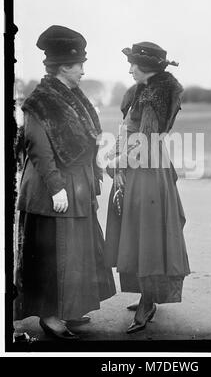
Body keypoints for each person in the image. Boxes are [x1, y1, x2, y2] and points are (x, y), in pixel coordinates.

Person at [15, 25, 116, 340]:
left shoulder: (74, 97)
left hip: (79, 185)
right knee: (53, 255)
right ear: (62, 67)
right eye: (79, 65)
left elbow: (89, 142)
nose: (83, 71)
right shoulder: (40, 101)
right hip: (52, 190)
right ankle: (50, 316)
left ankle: (70, 309)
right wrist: (57, 186)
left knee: (76, 252)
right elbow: (38, 148)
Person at [104, 42, 190, 334]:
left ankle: (147, 300)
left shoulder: (153, 97)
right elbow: (125, 129)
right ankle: (146, 295)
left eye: (133, 65)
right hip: (138, 167)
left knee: (148, 236)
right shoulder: (142, 91)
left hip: (148, 171)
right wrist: (118, 163)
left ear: (147, 69)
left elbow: (147, 142)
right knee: (139, 233)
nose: (129, 69)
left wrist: (117, 161)